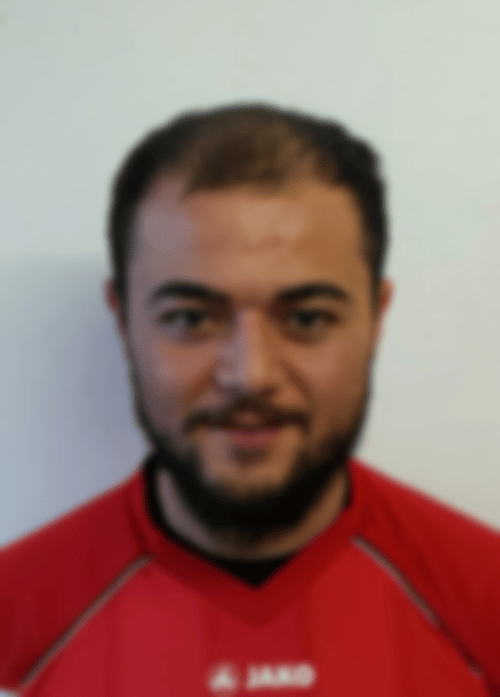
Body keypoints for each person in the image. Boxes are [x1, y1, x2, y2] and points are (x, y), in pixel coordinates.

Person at [1, 103, 499, 697]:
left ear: (376, 317)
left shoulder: (485, 602)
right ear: (123, 319)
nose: (250, 375)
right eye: (190, 318)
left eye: (307, 318)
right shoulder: (14, 623)